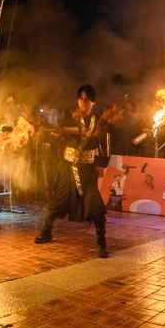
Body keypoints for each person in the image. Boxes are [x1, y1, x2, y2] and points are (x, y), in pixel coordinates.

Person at [35, 84, 109, 258]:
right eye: (81, 99)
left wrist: (100, 163)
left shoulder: (99, 121)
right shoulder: (69, 117)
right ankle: (46, 231)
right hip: (68, 168)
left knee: (96, 207)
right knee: (58, 201)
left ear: (93, 102)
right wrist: (54, 133)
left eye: (87, 100)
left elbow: (103, 143)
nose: (83, 103)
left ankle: (102, 243)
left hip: (88, 170)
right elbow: (58, 135)